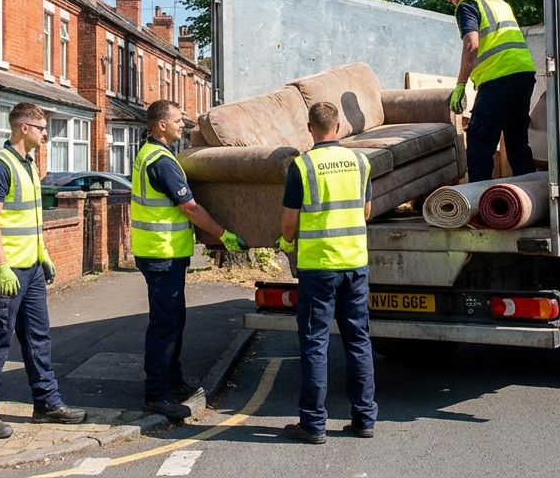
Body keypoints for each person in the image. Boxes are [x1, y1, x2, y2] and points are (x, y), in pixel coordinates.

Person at [0, 102, 86, 439]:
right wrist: (3, 266)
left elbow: (29, 220)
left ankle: (47, 404)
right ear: (24, 128)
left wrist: (43, 254)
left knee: (38, 336)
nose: (45, 134)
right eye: (41, 128)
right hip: (4, 270)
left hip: (30, 268)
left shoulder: (28, 165)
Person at [131, 99, 248, 420]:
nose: (182, 124)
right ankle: (156, 394)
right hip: (162, 254)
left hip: (161, 252)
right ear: (160, 125)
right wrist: (223, 234)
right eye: (178, 120)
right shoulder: (162, 161)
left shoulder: (150, 154)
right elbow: (190, 207)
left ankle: (173, 380)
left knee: (173, 320)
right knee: (165, 325)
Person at [277, 102, 377, 445]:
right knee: (358, 342)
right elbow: (366, 211)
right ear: (338, 128)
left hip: (319, 268)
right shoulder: (361, 162)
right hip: (355, 264)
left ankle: (314, 425)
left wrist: (286, 239)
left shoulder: (301, 166)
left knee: (315, 344)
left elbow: (289, 226)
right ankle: (364, 419)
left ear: (310, 129)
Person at [440, 0, 538, 182]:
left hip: (498, 77)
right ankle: (533, 200)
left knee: (479, 139)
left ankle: (479, 204)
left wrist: (460, 85)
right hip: (523, 73)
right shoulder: (498, 3)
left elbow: (471, 45)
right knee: (517, 140)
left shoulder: (467, 4)